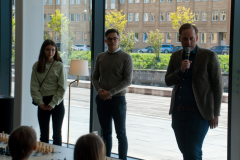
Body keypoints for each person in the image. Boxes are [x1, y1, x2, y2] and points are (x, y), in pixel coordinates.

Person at [165, 23, 223, 160]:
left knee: (192, 151)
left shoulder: (209, 56)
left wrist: (216, 113)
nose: (188, 42)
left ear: (197, 38)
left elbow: (218, 86)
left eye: (191, 38)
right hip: (178, 113)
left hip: (199, 114)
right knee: (186, 150)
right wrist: (180, 71)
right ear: (179, 39)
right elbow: (168, 81)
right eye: (185, 39)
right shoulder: (175, 57)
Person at [92, 29, 133, 160]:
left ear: (119, 40)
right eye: (109, 39)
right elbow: (94, 78)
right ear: (105, 41)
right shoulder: (100, 57)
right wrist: (100, 91)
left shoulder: (126, 57)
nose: (112, 41)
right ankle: (106, 157)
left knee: (121, 133)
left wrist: (110, 93)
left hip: (118, 100)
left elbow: (127, 80)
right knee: (106, 133)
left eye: (115, 38)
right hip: (102, 100)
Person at [31, 39, 67, 146]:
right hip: (42, 101)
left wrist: (53, 103)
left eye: (53, 50)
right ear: (43, 50)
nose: (50, 52)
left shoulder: (59, 65)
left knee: (57, 134)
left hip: (56, 102)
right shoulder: (36, 65)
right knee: (43, 135)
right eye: (48, 50)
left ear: (56, 51)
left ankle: (59, 157)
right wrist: (40, 102)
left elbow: (62, 88)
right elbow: (34, 87)